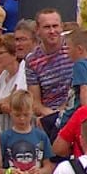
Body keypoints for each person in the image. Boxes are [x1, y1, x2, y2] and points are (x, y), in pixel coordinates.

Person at [24, 9, 71, 138]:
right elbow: (35, 102)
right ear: (37, 30)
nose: (52, 31)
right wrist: (53, 115)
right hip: (49, 118)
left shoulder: (73, 47)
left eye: (55, 26)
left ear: (61, 27)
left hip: (74, 111)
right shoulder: (32, 60)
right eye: (46, 27)